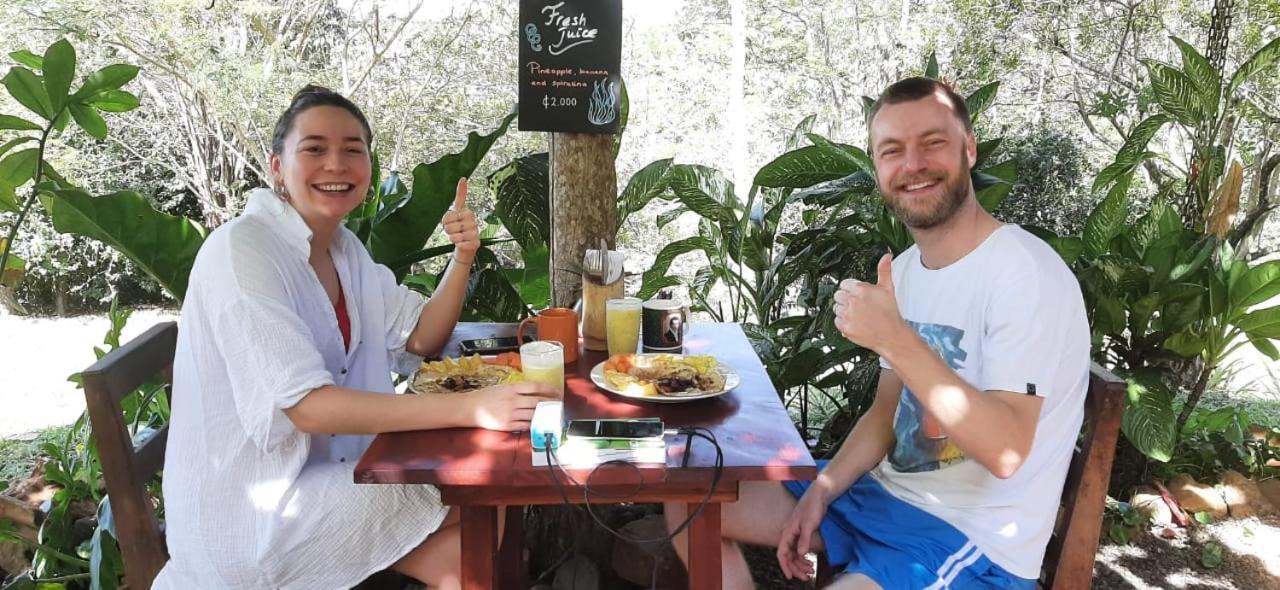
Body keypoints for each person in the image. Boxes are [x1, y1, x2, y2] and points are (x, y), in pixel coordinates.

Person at [664, 77, 1090, 589]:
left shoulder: (1024, 273)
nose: (913, 165)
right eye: (893, 150)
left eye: (933, 143)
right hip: (879, 498)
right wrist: (822, 490)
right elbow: (887, 413)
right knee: (687, 494)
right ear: (878, 168)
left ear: (969, 149)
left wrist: (894, 338)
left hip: (969, 541)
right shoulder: (907, 270)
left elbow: (1005, 451)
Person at [153, 85, 559, 590]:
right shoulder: (242, 251)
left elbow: (421, 338)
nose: (336, 164)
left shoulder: (344, 251)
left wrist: (461, 257)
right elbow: (308, 407)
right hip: (255, 514)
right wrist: (475, 408)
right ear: (277, 165)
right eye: (315, 148)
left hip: (334, 472)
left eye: (353, 149)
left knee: (474, 541)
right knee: (474, 489)